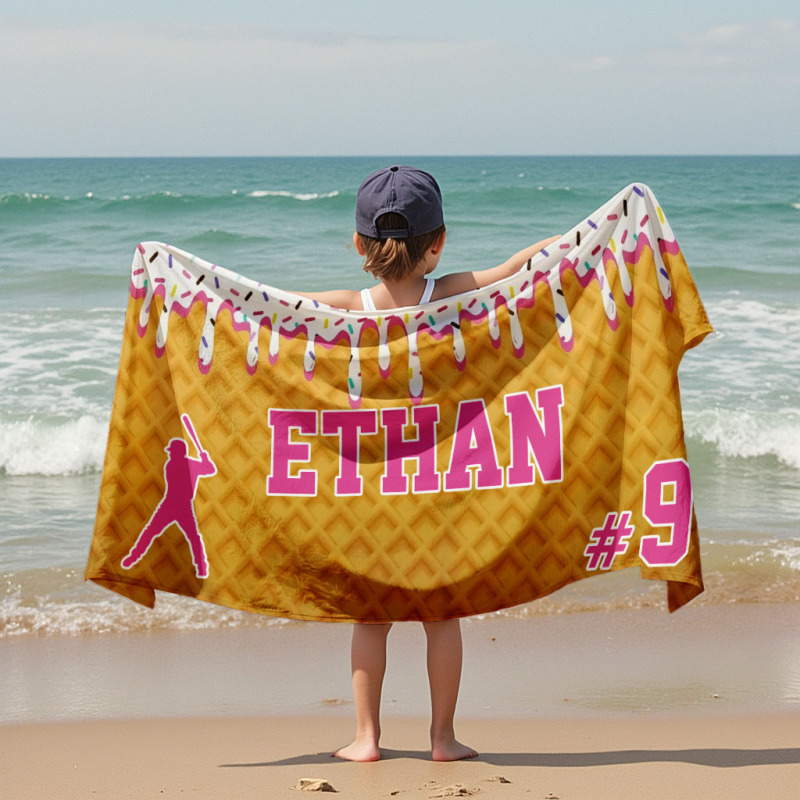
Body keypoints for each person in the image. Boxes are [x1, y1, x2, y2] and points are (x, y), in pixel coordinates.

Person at [295, 165, 559, 762]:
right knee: (442, 618)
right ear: (438, 242)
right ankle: (442, 738)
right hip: (439, 491)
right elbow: (517, 268)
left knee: (371, 620)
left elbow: (271, 307)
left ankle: (366, 738)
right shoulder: (451, 293)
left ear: (358, 244)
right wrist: (584, 236)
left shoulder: (348, 307)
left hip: (371, 495)